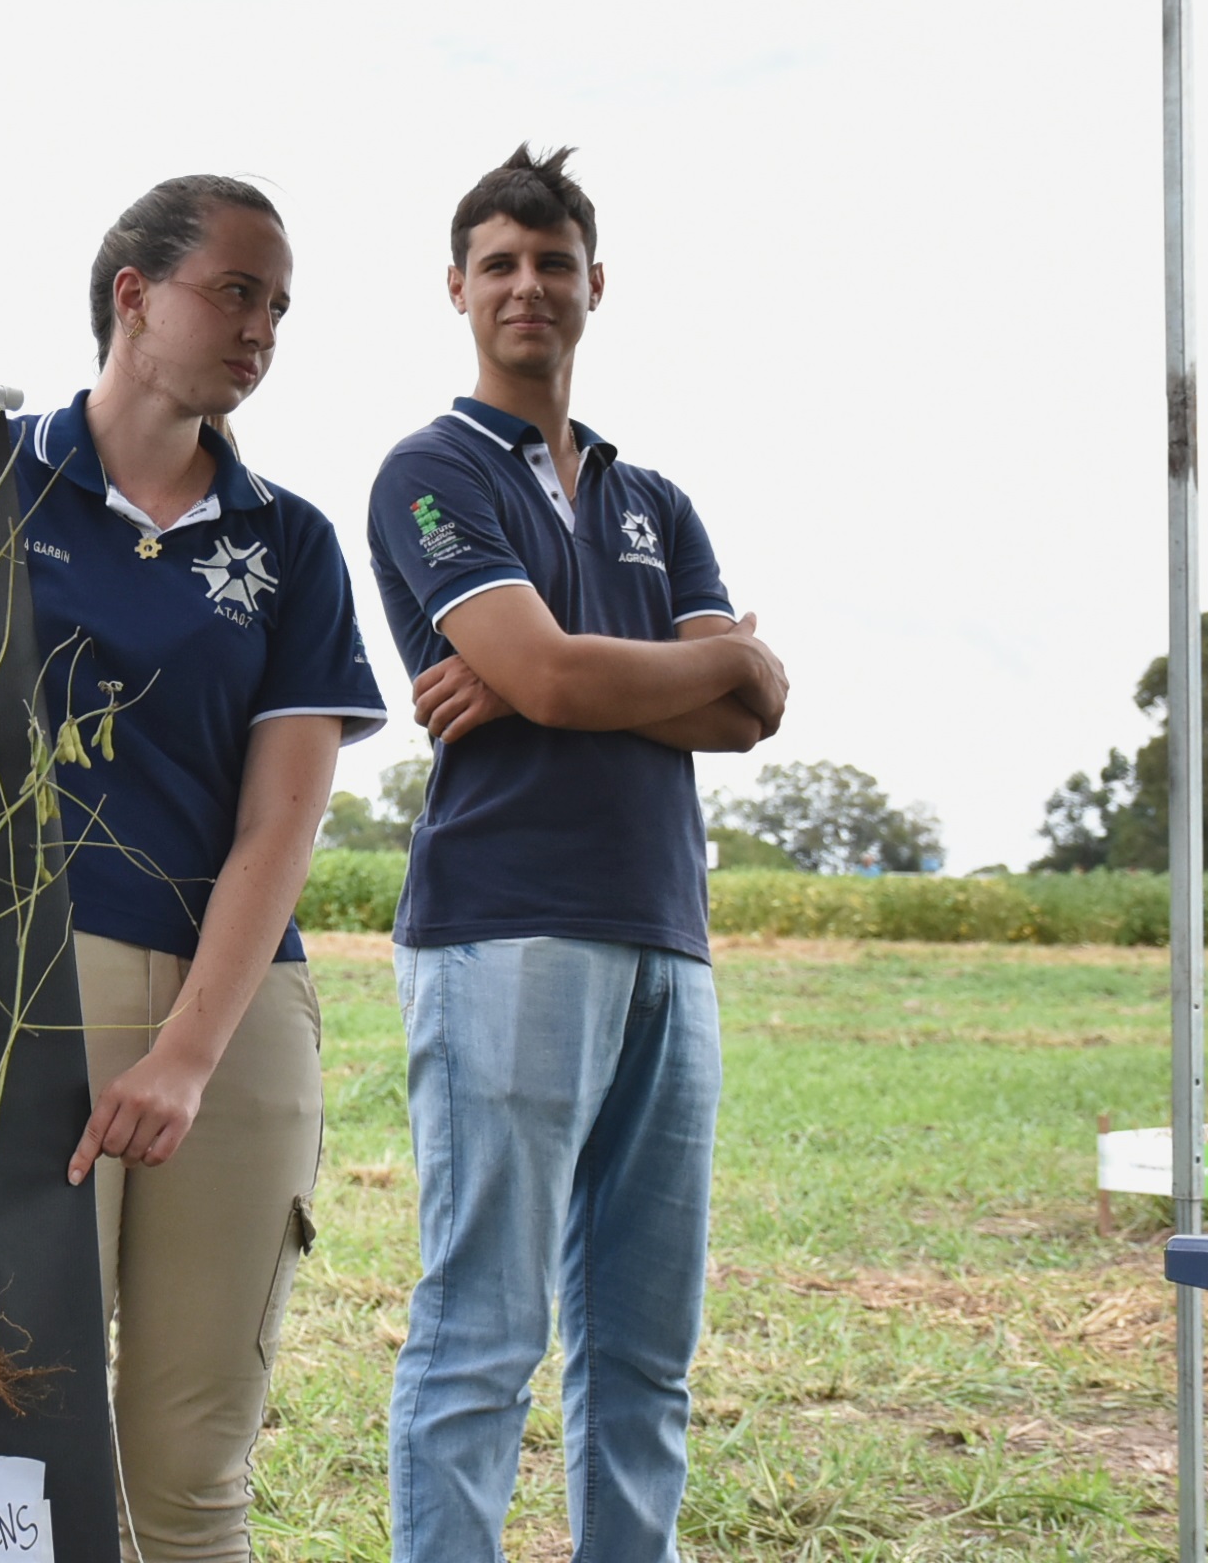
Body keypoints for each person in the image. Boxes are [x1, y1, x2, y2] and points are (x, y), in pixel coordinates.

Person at [365, 146, 786, 1562]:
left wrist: (554, 675)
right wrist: (659, 663)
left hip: (669, 935)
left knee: (648, 1354)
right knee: (484, 1336)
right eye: (500, 264)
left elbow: (751, 712)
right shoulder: (429, 473)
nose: (528, 286)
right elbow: (570, 675)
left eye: (554, 263)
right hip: (509, 927)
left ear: (598, 284)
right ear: (457, 289)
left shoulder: (651, 497)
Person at [16, 175, 389, 1562]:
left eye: (280, 306)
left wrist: (184, 1054)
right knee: (14, 1432)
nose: (262, 329)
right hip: (28, 996)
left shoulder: (291, 540)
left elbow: (280, 824)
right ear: (134, 295)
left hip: (234, 1021)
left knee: (191, 1467)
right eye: (237, 291)